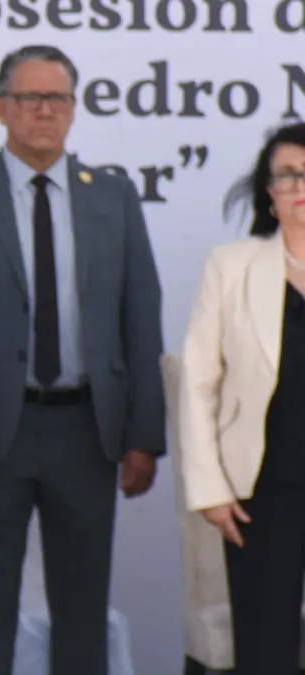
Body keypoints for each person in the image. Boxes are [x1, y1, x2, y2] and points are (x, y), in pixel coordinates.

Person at [0, 45, 164, 675]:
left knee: (83, 613)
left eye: (56, 98)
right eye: (30, 97)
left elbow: (141, 321)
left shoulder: (114, 198)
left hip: (86, 430)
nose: (44, 110)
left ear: (73, 108)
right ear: (0, 107)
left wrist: (144, 436)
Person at [180, 121, 305, 675]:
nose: (300, 185)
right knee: (265, 647)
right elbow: (198, 381)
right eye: (288, 174)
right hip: (262, 486)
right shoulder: (231, 266)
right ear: (269, 192)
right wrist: (209, 489)